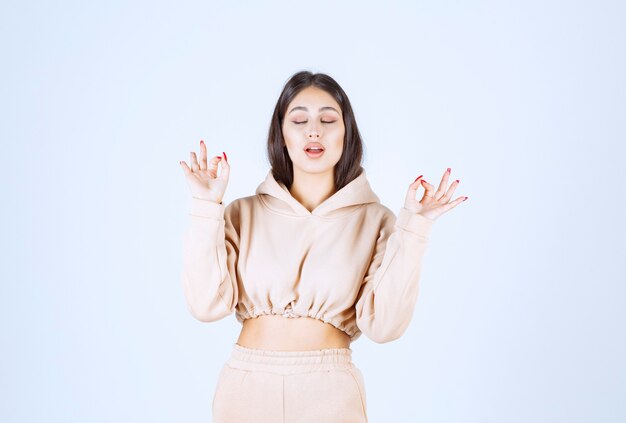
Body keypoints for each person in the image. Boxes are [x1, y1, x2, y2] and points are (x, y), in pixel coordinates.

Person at [178, 70, 468, 422]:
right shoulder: (242, 213)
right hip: (246, 387)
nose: (313, 130)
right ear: (281, 135)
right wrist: (206, 205)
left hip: (330, 392)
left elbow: (385, 326)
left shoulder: (376, 220)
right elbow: (205, 305)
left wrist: (415, 227)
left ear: (347, 134)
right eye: (299, 120)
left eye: (328, 119)